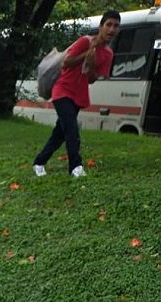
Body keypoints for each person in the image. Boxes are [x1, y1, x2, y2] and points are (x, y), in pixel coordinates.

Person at [32, 10, 120, 177]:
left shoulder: (108, 55)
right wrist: (87, 54)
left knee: (60, 133)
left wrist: (92, 65)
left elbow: (92, 79)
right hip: (62, 90)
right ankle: (76, 167)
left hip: (79, 95)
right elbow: (67, 63)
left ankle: (39, 162)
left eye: (116, 26)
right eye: (108, 24)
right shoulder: (85, 41)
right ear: (101, 26)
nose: (111, 29)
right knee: (72, 129)